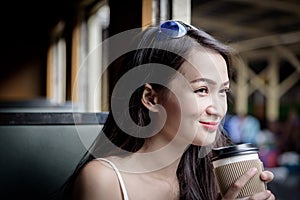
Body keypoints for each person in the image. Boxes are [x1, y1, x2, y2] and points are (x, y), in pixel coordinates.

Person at [61, 20, 275, 200]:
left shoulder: (214, 177)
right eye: (201, 90)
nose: (218, 109)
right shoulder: (103, 179)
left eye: (223, 91)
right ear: (151, 98)